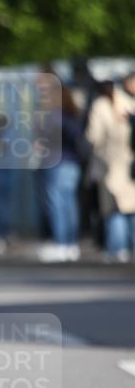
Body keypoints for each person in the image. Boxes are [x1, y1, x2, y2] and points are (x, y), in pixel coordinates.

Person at [86, 79, 135, 262]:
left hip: (110, 163)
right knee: (131, 207)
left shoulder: (100, 106)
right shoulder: (129, 102)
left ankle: (117, 247)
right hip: (130, 163)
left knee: (113, 209)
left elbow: (93, 136)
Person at [37, 85, 84, 263]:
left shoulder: (54, 116)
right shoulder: (74, 114)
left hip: (57, 163)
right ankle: (71, 243)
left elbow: (45, 137)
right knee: (70, 204)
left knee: (57, 204)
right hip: (73, 163)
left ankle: (61, 242)